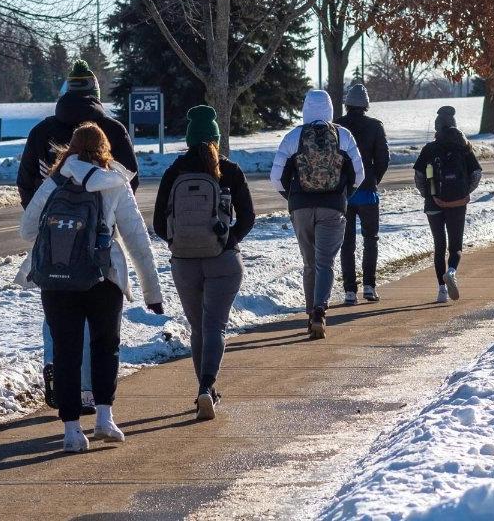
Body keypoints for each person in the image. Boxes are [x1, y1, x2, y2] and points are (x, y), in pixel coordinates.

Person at [18, 123, 163, 452]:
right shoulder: (114, 181)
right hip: (103, 277)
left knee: (66, 350)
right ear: (105, 147)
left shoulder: (56, 180)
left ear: (71, 147)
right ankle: (104, 418)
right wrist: (152, 293)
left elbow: (27, 230)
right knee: (105, 345)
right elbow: (137, 238)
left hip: (56, 279)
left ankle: (71, 431)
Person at [16, 59, 138, 415]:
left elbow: (26, 181)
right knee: (95, 319)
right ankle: (87, 390)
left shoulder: (42, 131)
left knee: (57, 308)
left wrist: (44, 221)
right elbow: (130, 181)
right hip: (98, 238)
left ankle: (55, 364)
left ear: (66, 91)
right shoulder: (112, 130)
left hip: (52, 238)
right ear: (97, 93)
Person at [153, 105, 255, 421]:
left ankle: (204, 389)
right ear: (216, 139)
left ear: (188, 139)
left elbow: (158, 223)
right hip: (222, 259)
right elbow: (248, 217)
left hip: (184, 261)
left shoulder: (174, 172)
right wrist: (229, 240)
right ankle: (207, 386)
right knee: (215, 326)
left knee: (198, 327)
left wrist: (178, 242)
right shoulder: (231, 171)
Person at [270, 89, 364, 339]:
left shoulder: (293, 137)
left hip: (301, 207)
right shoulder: (343, 136)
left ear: (304, 109)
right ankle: (319, 311)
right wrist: (344, 196)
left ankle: (310, 312)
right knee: (325, 263)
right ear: (331, 109)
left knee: (309, 264)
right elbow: (360, 174)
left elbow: (276, 177)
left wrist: (292, 198)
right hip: (333, 207)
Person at [413, 106, 482, 303]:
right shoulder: (465, 148)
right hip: (457, 204)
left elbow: (418, 176)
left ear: (437, 128)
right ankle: (451, 271)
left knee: (439, 246)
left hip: (433, 204)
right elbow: (476, 174)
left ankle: (441, 290)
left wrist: (428, 194)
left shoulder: (429, 149)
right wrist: (464, 192)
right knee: (455, 246)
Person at [336, 84, 389, 305]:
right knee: (371, 240)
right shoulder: (375, 127)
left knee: (346, 243)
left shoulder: (337, 126)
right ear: (366, 105)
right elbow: (384, 159)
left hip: (344, 193)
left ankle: (349, 290)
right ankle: (369, 286)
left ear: (347, 104)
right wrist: (373, 179)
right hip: (368, 191)